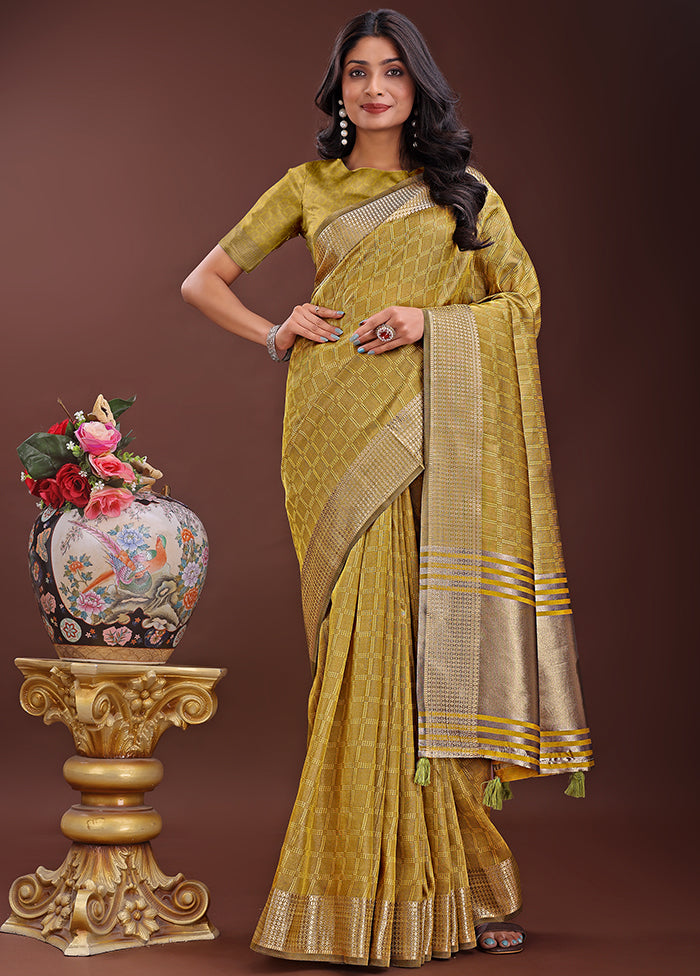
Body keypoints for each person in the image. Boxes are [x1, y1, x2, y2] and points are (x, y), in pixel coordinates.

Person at [182, 8, 592, 967]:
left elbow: (521, 305)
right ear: (339, 88)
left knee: (425, 649)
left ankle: (450, 888)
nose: (375, 88)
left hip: (433, 433)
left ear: (418, 87)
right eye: (359, 72)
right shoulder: (308, 186)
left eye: (394, 72)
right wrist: (275, 331)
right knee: (357, 655)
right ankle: (357, 897)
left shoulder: (464, 194)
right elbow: (203, 280)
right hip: (331, 430)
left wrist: (426, 321)